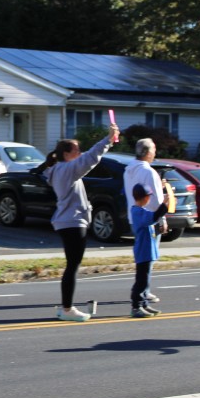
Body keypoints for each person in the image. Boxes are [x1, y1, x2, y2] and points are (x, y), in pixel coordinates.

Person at [38, 123, 121, 322]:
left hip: (67, 221)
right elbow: (90, 157)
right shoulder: (68, 169)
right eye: (76, 150)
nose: (80, 152)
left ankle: (66, 307)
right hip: (73, 222)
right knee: (72, 266)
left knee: (72, 265)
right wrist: (108, 139)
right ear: (67, 154)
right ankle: (67, 309)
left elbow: (85, 157)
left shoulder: (58, 169)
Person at [123, 138, 165, 306]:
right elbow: (156, 199)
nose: (155, 153)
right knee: (148, 258)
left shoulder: (128, 170)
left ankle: (141, 292)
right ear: (147, 152)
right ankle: (143, 292)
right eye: (153, 150)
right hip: (149, 218)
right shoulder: (149, 172)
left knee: (142, 257)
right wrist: (162, 218)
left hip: (134, 216)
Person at [129, 183, 172, 318]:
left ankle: (144, 304)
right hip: (143, 252)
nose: (149, 199)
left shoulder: (142, 211)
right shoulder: (137, 212)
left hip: (147, 252)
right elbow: (154, 216)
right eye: (149, 196)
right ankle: (136, 306)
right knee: (141, 281)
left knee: (145, 280)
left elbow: (153, 219)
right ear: (145, 197)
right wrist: (165, 204)